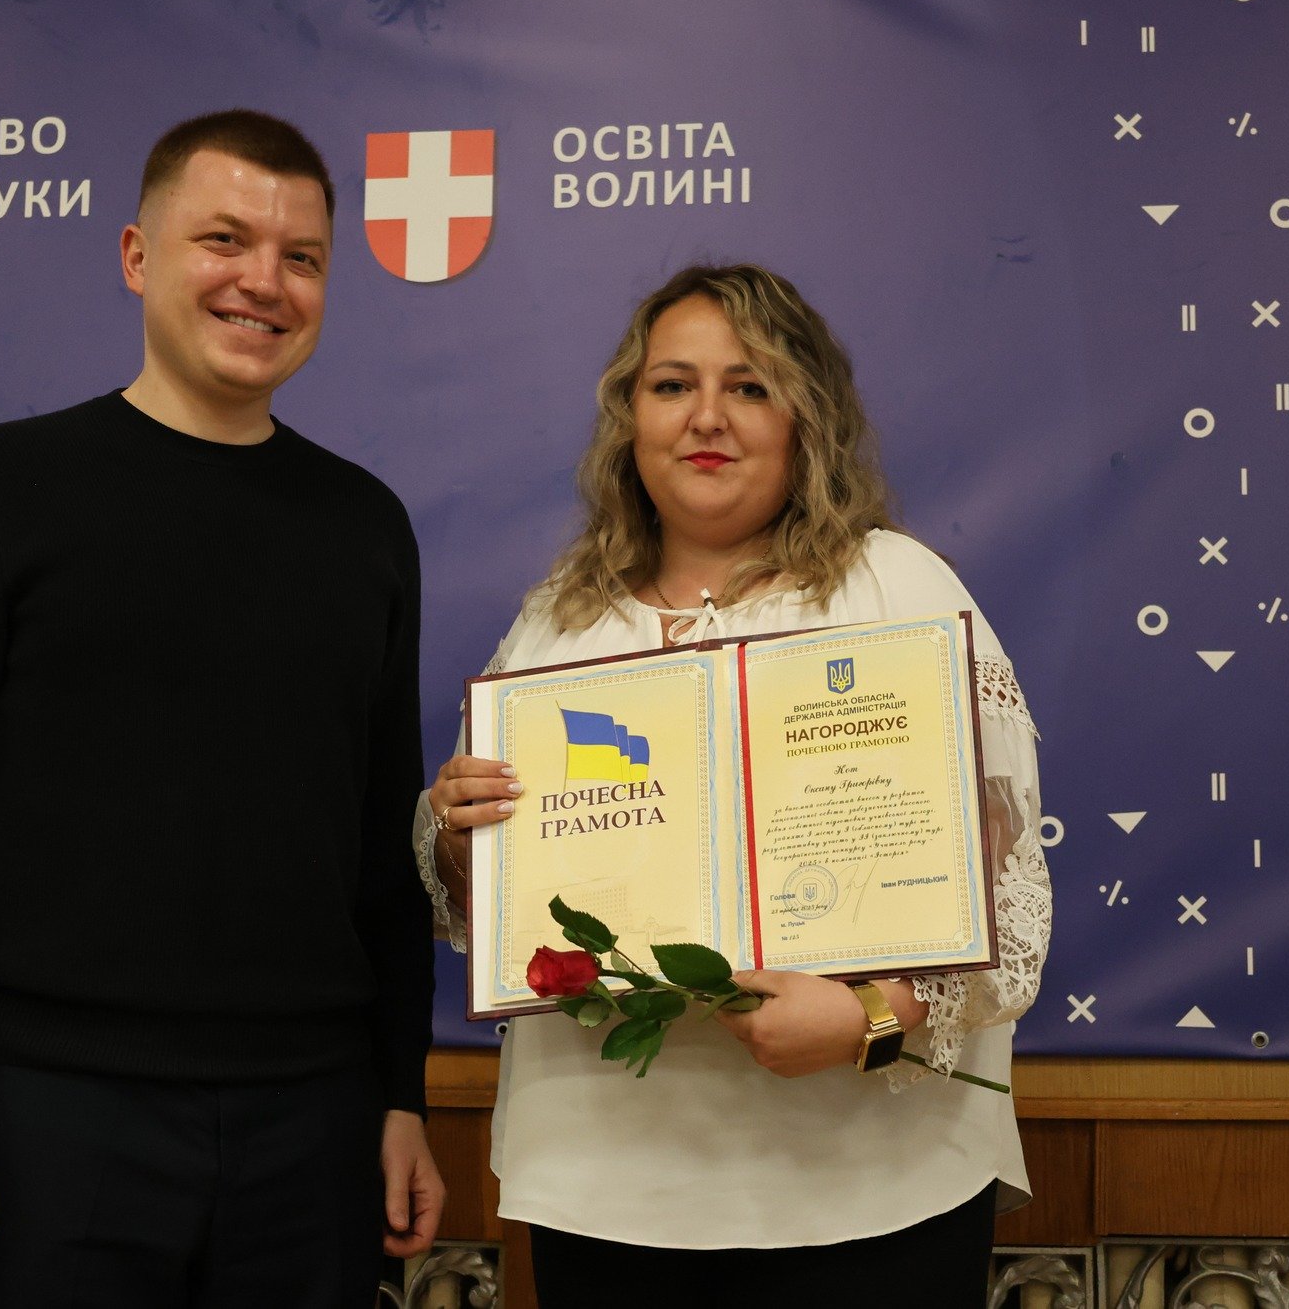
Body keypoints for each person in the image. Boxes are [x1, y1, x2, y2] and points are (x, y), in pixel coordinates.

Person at [0, 109, 443, 1308]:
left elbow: (383, 852)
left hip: (315, 1127)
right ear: (135, 255)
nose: (263, 281)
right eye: (224, 239)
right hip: (45, 1116)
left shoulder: (365, 525)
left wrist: (400, 1094)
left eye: (301, 257)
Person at [416, 264, 1050, 1306]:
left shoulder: (896, 590)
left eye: (749, 386)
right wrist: (454, 833)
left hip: (873, 1183)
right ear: (629, 419)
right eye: (672, 385)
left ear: (807, 418)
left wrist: (868, 1019)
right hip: (608, 1186)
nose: (706, 416)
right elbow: (486, 897)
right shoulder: (559, 621)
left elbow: (1009, 903)